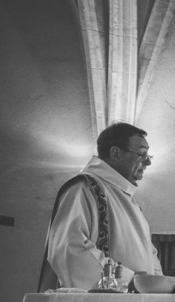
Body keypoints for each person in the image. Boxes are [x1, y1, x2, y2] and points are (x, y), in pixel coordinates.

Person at [39, 122, 164, 290]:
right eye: (141, 154)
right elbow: (69, 249)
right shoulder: (86, 189)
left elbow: (149, 255)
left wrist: (157, 287)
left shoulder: (130, 201)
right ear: (116, 153)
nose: (147, 162)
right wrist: (129, 281)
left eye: (148, 155)